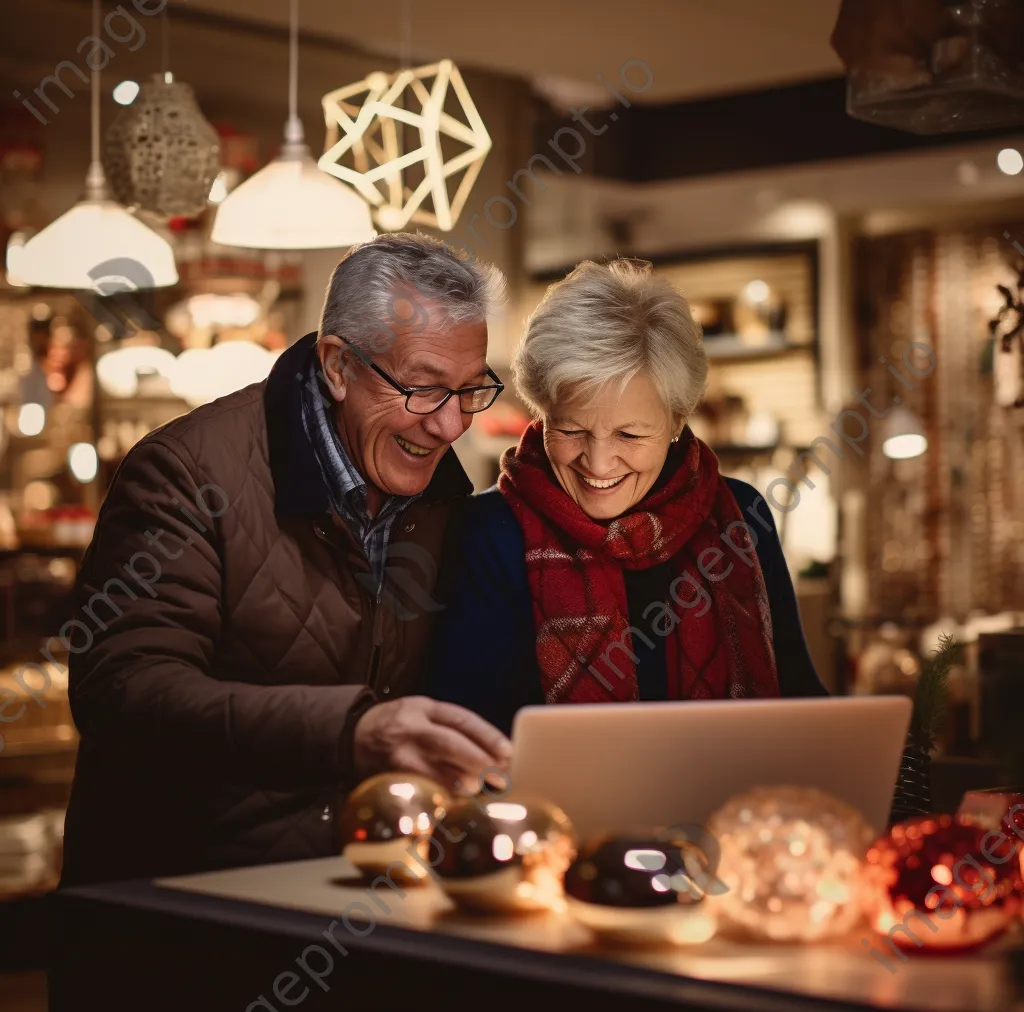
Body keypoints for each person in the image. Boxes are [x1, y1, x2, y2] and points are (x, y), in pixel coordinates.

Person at [61, 233, 512, 885]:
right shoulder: (186, 473)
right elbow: (125, 693)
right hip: (180, 904)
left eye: (472, 390)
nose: (451, 426)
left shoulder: (440, 496)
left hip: (356, 895)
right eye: (423, 388)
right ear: (337, 365)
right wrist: (352, 730)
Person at [428, 259, 827, 736]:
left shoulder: (740, 517)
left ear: (676, 422)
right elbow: (466, 733)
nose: (598, 464)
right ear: (542, 413)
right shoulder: (488, 532)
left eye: (630, 435)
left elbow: (799, 700)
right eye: (572, 429)